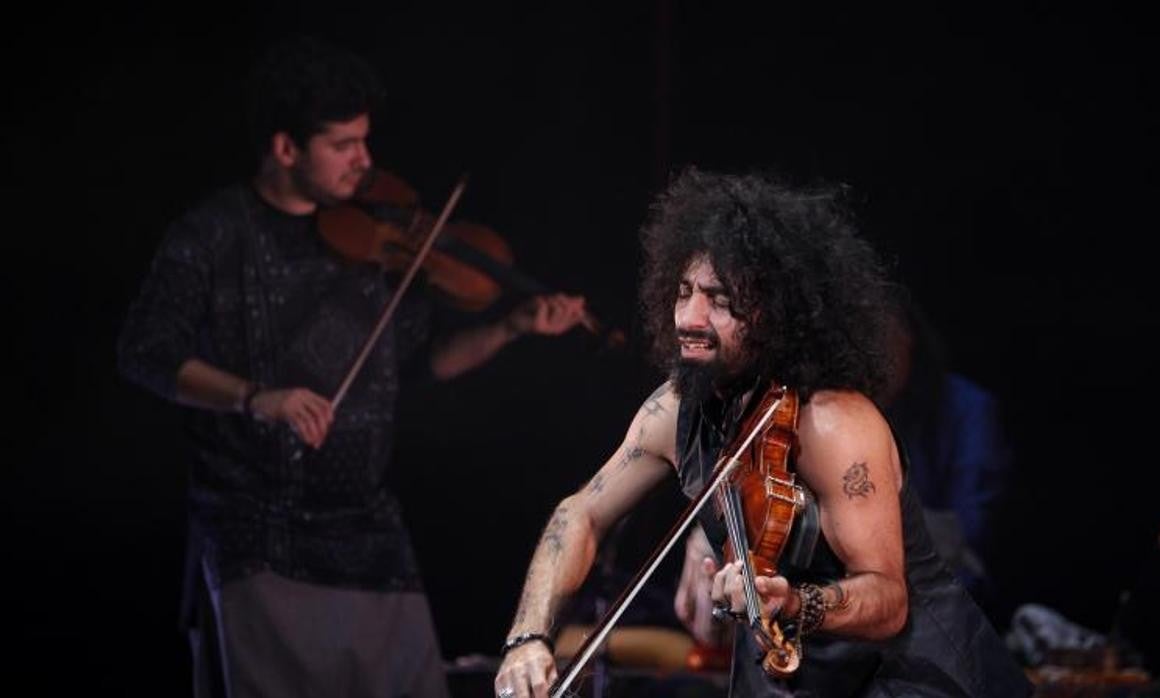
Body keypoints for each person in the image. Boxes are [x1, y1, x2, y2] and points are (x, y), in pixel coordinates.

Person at [117, 36, 586, 698]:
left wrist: (509, 326)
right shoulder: (212, 236)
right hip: (256, 532)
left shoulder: (372, 240)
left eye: (366, 140)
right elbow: (146, 354)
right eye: (344, 145)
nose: (365, 162)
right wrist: (258, 398)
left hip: (369, 535)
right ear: (286, 150)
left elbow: (424, 362)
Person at [494, 169, 1032, 697]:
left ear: (776, 313)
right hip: (793, 672)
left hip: (917, 675)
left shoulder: (834, 423)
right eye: (684, 292)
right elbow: (579, 514)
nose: (691, 317)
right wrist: (528, 637)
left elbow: (887, 601)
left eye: (720, 300)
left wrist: (794, 602)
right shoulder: (675, 410)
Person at [878, 298, 1015, 619]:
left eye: (879, 339)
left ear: (907, 336)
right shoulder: (851, 412)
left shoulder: (967, 409)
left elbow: (970, 529)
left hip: (951, 597)